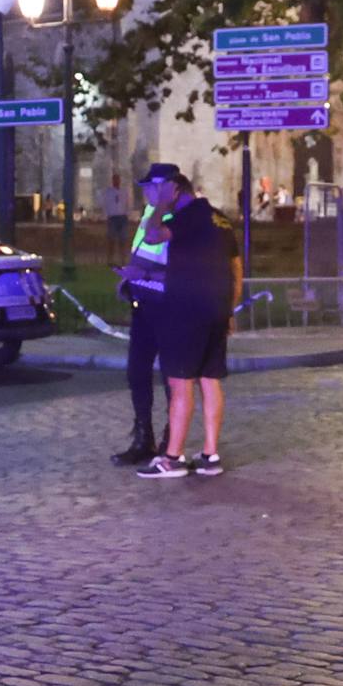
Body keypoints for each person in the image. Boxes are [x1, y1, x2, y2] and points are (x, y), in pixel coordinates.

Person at [139, 168, 239, 479]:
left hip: (185, 310)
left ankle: (172, 458)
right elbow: (236, 267)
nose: (150, 196)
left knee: (180, 383)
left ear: (173, 188)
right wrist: (230, 309)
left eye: (154, 189)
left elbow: (152, 234)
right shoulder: (219, 219)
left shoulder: (184, 218)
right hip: (215, 309)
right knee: (210, 379)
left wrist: (158, 206)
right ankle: (210, 455)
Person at [113, 167, 177, 465]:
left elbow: (181, 269)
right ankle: (143, 438)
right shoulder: (148, 215)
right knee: (136, 372)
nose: (145, 192)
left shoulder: (176, 219)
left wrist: (145, 274)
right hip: (143, 305)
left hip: (168, 306)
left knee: (170, 377)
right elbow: (141, 256)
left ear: (166, 188)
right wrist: (129, 279)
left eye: (150, 187)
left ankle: (170, 439)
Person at [104, 176, 131, 262]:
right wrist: (106, 215)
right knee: (111, 239)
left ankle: (123, 259)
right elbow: (105, 203)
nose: (116, 181)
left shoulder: (124, 191)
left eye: (118, 179)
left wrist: (127, 214)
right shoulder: (108, 192)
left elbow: (128, 203)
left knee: (123, 239)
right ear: (112, 181)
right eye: (115, 179)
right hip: (112, 217)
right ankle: (110, 259)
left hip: (122, 217)